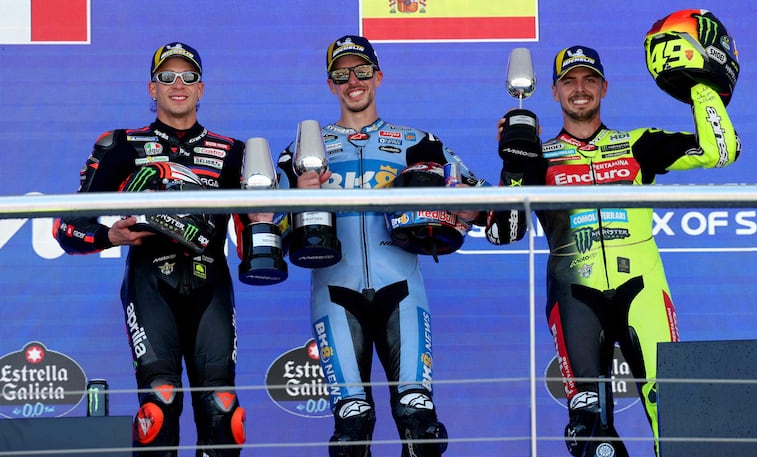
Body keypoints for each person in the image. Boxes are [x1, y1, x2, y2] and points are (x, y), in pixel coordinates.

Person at [486, 39, 739, 456]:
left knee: (673, 411)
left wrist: (700, 85)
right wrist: (512, 165)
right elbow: (503, 231)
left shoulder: (639, 143)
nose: (580, 88)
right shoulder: (541, 158)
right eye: (569, 81)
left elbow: (722, 150)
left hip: (642, 287)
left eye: (590, 79)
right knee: (588, 430)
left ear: (605, 88)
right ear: (554, 91)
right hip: (573, 295)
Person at [276, 35, 487, 457]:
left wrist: (461, 206)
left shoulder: (418, 142)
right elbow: (270, 231)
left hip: (402, 288)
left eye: (362, 70)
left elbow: (486, 210)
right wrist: (296, 201)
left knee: (419, 421)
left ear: (379, 76)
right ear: (331, 83)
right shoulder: (300, 152)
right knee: (350, 431)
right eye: (342, 73)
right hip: (334, 292)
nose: (353, 80)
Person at [54, 42, 247, 457]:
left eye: (188, 77)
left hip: (210, 283)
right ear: (151, 88)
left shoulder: (234, 152)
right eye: (167, 77)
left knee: (223, 409)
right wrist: (110, 237)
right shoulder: (121, 144)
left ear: (201, 89)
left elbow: (257, 242)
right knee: (158, 404)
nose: (178, 85)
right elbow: (66, 227)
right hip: (149, 284)